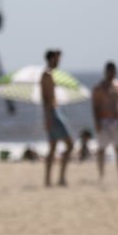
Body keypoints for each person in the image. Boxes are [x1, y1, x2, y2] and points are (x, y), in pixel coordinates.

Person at [91, 61, 118, 181]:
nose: (112, 74)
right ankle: (101, 175)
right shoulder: (99, 88)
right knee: (102, 149)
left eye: (113, 72)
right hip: (103, 121)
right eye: (110, 71)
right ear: (105, 72)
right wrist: (97, 122)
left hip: (117, 121)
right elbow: (95, 107)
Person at [41, 50, 73, 187]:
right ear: (52, 59)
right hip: (53, 113)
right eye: (57, 58)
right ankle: (59, 178)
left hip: (53, 112)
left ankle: (50, 180)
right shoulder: (47, 75)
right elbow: (46, 100)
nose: (59, 61)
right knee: (70, 145)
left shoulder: (49, 75)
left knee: (53, 147)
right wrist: (48, 118)